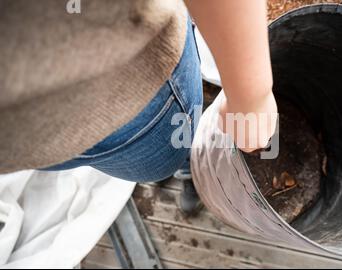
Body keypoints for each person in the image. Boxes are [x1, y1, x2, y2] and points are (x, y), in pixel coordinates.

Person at [0, 0, 278, 215]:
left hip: (131, 93)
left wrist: (251, 98)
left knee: (169, 153)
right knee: (158, 159)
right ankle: (189, 166)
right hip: (26, 148)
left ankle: (192, 165)